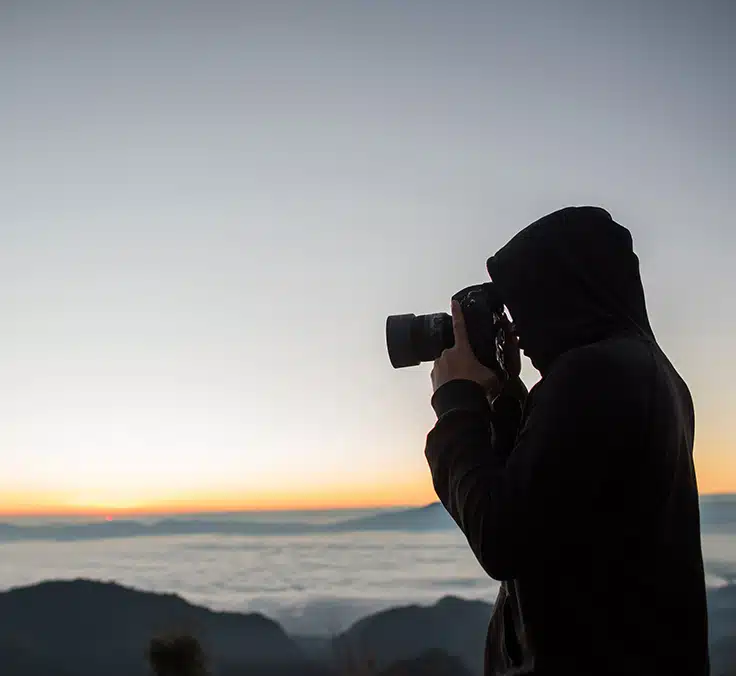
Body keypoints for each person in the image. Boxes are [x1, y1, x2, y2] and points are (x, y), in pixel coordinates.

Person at [424, 206, 709, 675]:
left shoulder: (591, 376)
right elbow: (553, 501)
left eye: (525, 306)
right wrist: (505, 395)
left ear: (561, 294)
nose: (516, 331)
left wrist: (457, 405)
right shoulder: (654, 376)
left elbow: (501, 534)